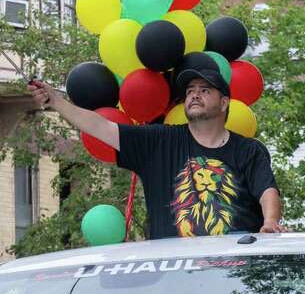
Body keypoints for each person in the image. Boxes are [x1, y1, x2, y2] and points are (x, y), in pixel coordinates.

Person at [29, 60, 284, 238]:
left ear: (225, 102)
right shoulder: (159, 142)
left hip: (233, 273)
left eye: (204, 91)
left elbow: (267, 191)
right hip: (174, 275)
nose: (194, 95)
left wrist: (271, 222)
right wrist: (56, 101)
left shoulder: (248, 150)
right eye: (190, 91)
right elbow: (100, 126)